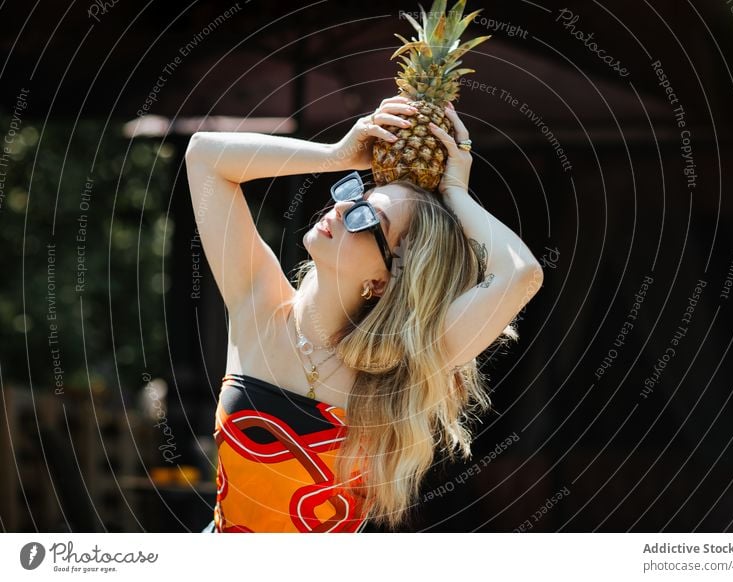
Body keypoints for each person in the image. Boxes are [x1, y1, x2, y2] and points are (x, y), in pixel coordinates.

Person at [185, 95, 544, 533]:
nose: (340, 207)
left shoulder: (403, 364)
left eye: (365, 219)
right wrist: (337, 154)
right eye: (355, 193)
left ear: (383, 279)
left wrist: (454, 193)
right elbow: (203, 155)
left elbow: (521, 273)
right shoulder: (261, 303)